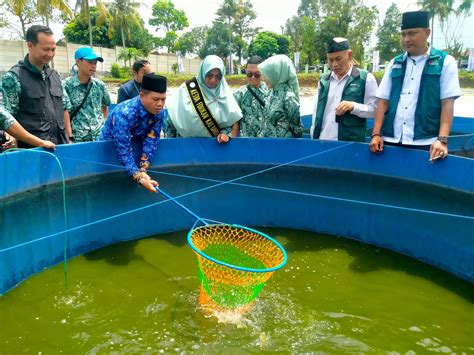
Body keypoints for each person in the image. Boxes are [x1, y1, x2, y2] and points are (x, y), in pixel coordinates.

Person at [369, 10, 461, 162]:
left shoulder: (444, 61)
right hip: (391, 139)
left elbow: (447, 103)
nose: (406, 39)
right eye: (403, 34)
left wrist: (442, 140)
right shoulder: (395, 63)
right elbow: (383, 101)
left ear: (427, 33)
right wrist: (376, 134)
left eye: (412, 33)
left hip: (426, 141)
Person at [1, 25, 71, 148]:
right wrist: (38, 142)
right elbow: (5, 117)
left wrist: (70, 137)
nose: (50, 54)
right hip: (32, 151)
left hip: (60, 148)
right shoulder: (14, 78)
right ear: (30, 45)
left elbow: (64, 107)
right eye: (45, 49)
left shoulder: (55, 76)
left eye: (53, 49)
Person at [99, 73, 167, 193]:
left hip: (132, 150)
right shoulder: (124, 113)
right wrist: (139, 177)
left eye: (163, 99)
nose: (160, 104)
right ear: (142, 96)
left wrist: (143, 169)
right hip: (109, 149)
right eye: (156, 99)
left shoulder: (159, 112)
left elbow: (152, 140)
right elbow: (123, 149)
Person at [311, 38, 378, 142]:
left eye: (338, 59)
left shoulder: (365, 79)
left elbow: (376, 110)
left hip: (349, 145)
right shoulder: (323, 81)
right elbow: (316, 114)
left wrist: (354, 107)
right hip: (322, 142)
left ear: (350, 55)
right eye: (330, 60)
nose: (334, 65)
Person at [166, 55, 242, 144]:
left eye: (218, 77)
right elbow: (171, 119)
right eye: (209, 75)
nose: (213, 80)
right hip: (184, 147)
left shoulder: (224, 95)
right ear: (203, 72)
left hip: (212, 149)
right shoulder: (185, 90)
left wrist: (225, 134)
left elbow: (229, 123)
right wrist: (170, 144)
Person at [63, 47, 111, 143]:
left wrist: (104, 125)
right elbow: (64, 112)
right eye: (90, 62)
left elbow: (105, 106)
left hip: (99, 137)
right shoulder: (66, 85)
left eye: (95, 63)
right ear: (78, 62)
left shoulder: (99, 85)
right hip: (78, 139)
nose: (94, 66)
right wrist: (69, 136)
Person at [258, 54, 302, 138]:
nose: (263, 78)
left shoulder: (288, 98)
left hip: (283, 147)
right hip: (267, 146)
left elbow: (297, 130)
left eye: (266, 75)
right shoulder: (271, 93)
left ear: (276, 74)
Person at [232, 55, 268, 137]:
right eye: (249, 74)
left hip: (267, 142)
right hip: (247, 144)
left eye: (257, 74)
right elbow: (235, 123)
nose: (253, 77)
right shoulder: (239, 94)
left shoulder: (271, 92)